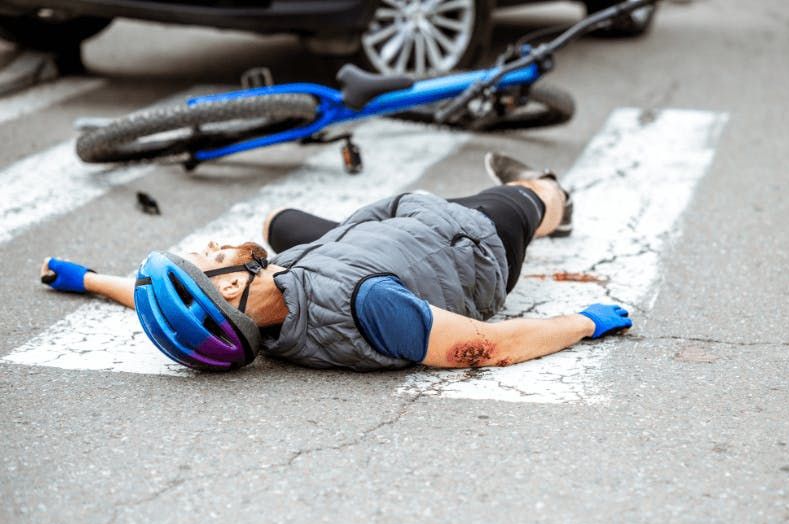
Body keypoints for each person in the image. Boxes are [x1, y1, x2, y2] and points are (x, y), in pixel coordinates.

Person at [39, 152, 632, 372]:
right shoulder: (373, 308)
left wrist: (87, 278)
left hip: (358, 245)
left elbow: (164, 301)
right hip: (467, 244)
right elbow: (488, 344)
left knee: (276, 222)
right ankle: (551, 194)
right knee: (530, 199)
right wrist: (585, 322)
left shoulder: (266, 314)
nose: (214, 247)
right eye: (211, 262)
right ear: (233, 299)